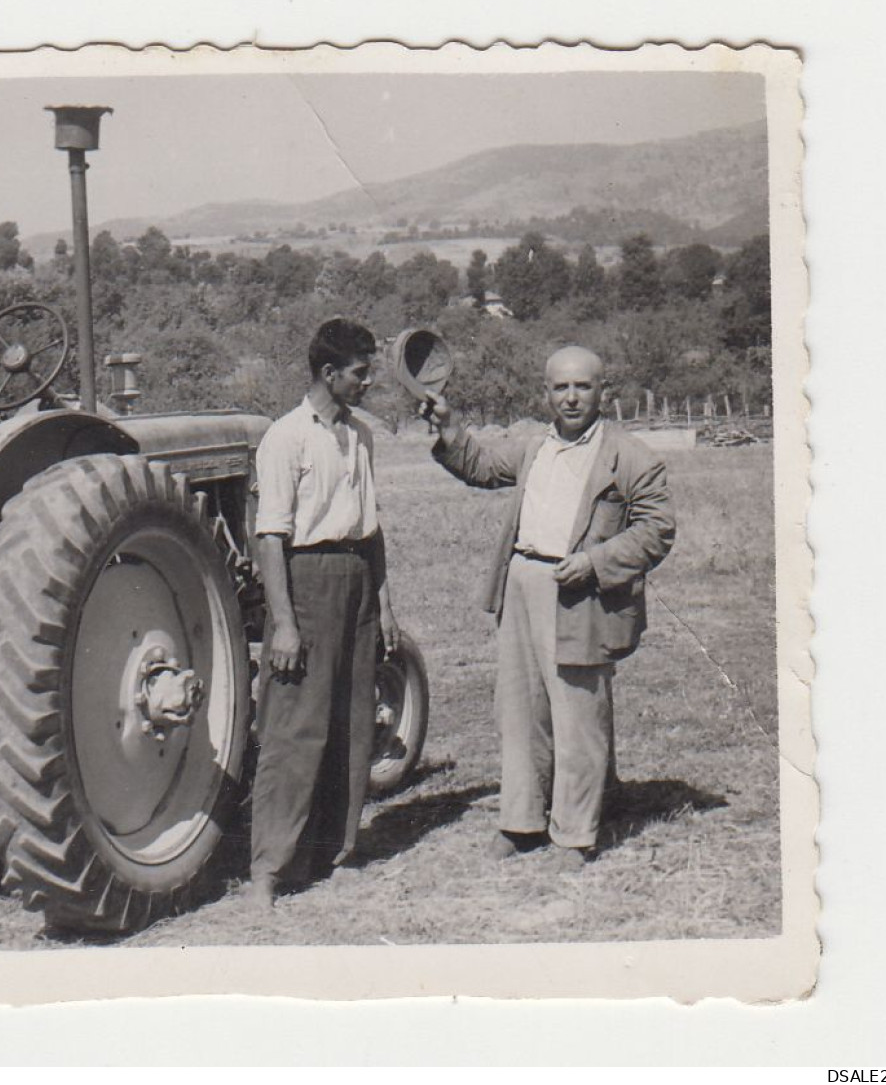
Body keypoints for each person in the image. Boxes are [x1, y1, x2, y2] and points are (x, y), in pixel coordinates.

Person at [426, 345, 675, 867]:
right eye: (560, 387)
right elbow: (479, 465)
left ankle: (575, 834)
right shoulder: (533, 447)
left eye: (582, 386)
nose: (571, 397)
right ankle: (521, 823)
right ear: (546, 393)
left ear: (602, 392)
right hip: (522, 584)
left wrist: (595, 562)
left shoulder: (628, 455)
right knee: (519, 711)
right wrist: (449, 426)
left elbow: (656, 529)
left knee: (578, 716)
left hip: (582, 591)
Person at [250, 317, 400, 909]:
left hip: (358, 581)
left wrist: (384, 603)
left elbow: (373, 525)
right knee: (293, 729)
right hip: (305, 583)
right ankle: (268, 869)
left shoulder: (362, 437)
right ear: (329, 374)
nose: (368, 383)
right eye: (361, 373)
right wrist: (284, 622)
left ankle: (336, 852)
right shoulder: (285, 437)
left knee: (352, 722)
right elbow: (270, 539)